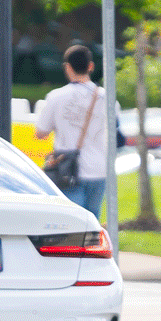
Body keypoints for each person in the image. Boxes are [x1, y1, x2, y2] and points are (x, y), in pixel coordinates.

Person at [34, 44, 117, 218]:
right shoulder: (107, 97)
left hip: (68, 169)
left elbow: (40, 133)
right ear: (91, 66)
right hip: (100, 168)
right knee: (93, 221)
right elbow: (116, 129)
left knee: (73, 222)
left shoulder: (56, 97)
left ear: (67, 67)